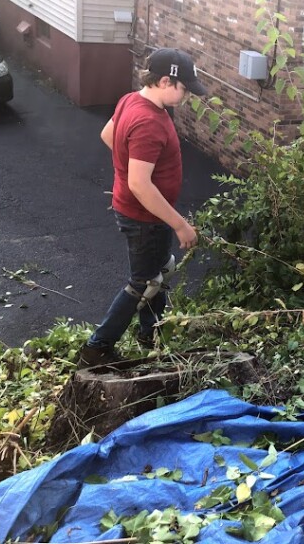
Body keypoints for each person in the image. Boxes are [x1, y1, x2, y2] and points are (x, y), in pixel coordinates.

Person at [78, 48, 207, 368]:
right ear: (166, 81)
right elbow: (140, 184)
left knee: (162, 270)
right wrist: (180, 225)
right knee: (145, 283)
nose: (187, 95)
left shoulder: (130, 100)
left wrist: (128, 163)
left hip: (146, 211)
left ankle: (150, 331)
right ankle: (98, 346)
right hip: (144, 216)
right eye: (185, 89)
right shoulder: (149, 121)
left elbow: (108, 134)